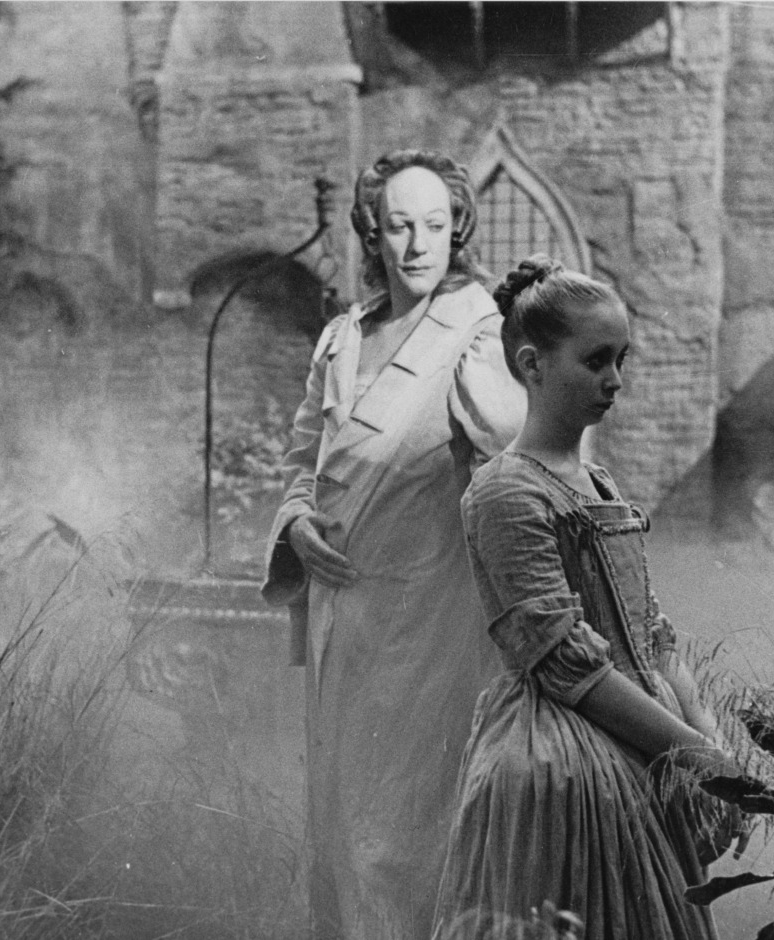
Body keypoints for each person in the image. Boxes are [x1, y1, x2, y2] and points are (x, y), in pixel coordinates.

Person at [431, 256, 744, 940]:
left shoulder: (599, 483)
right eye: (596, 360)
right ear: (533, 364)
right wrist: (691, 751)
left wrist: (708, 742)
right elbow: (568, 667)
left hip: (644, 736)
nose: (615, 379)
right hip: (564, 765)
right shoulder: (505, 490)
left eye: (620, 359)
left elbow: (653, 637)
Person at [261, 151, 526, 939]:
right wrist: (296, 523)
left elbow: (518, 473)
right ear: (372, 233)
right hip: (341, 626)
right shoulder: (342, 338)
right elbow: (301, 463)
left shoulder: (480, 333)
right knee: (340, 835)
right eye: (400, 226)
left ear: (457, 229)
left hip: (429, 626)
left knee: (400, 840)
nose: (417, 244)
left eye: (434, 226)